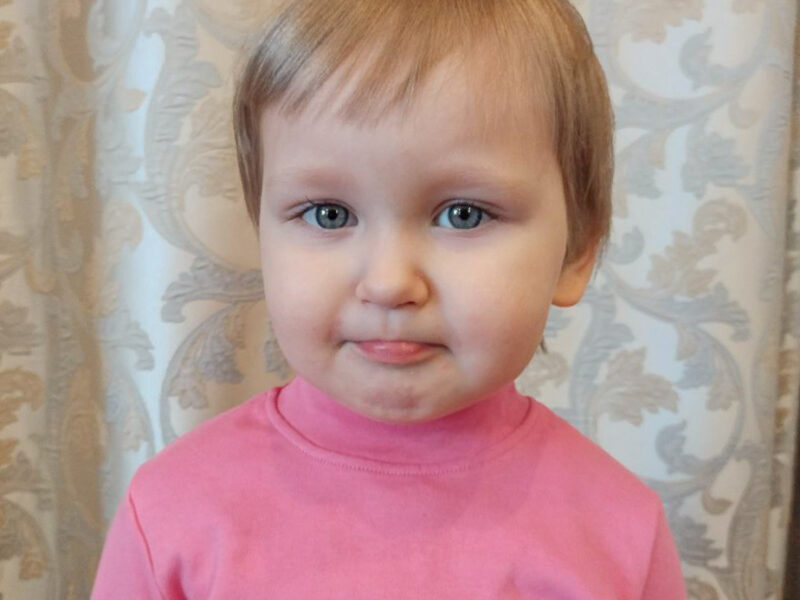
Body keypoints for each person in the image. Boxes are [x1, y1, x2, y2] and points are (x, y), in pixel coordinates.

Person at [91, 0, 687, 597]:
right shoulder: (169, 515)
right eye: (329, 214)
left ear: (576, 251)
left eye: (464, 214)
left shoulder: (619, 532)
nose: (389, 283)